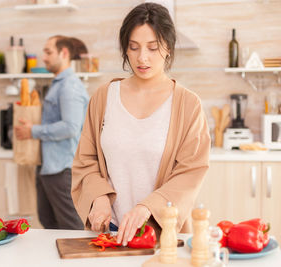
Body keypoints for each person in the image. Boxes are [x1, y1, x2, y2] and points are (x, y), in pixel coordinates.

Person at [71, 2, 211, 246]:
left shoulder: (188, 104)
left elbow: (191, 172)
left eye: (152, 48)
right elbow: (86, 160)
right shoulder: (104, 97)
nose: (142, 57)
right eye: (133, 47)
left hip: (160, 234)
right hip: (111, 233)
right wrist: (99, 197)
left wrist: (147, 207)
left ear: (168, 47)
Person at [15, 35, 89, 230]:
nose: (44, 58)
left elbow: (70, 127)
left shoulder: (69, 86)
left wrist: (33, 131)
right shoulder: (59, 84)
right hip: (49, 166)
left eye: (48, 52)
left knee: (71, 227)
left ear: (64, 53)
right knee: (49, 223)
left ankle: (77, 262)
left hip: (62, 168)